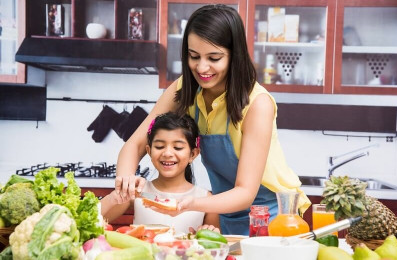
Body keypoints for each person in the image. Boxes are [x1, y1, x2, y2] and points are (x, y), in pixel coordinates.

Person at [115, 4, 311, 235]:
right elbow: (136, 143)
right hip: (226, 209)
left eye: (214, 58)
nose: (202, 67)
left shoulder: (258, 104)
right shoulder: (183, 90)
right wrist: (126, 179)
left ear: (234, 56)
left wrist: (190, 203)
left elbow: (245, 192)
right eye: (194, 56)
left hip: (273, 215)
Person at [101, 112, 220, 234]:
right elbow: (97, 218)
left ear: (193, 154)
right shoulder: (138, 193)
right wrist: (115, 195)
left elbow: (212, 240)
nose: (167, 153)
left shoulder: (205, 199)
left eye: (178, 147)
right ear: (149, 151)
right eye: (159, 146)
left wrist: (209, 231)